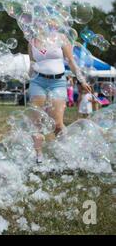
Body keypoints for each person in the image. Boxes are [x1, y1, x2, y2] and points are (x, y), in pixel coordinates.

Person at [28, 36, 92, 164]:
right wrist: (27, 78)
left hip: (57, 82)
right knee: (37, 123)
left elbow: (71, 61)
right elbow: (32, 62)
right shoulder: (31, 40)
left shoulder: (61, 38)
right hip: (37, 82)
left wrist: (82, 80)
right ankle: (38, 157)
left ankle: (67, 153)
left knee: (57, 123)